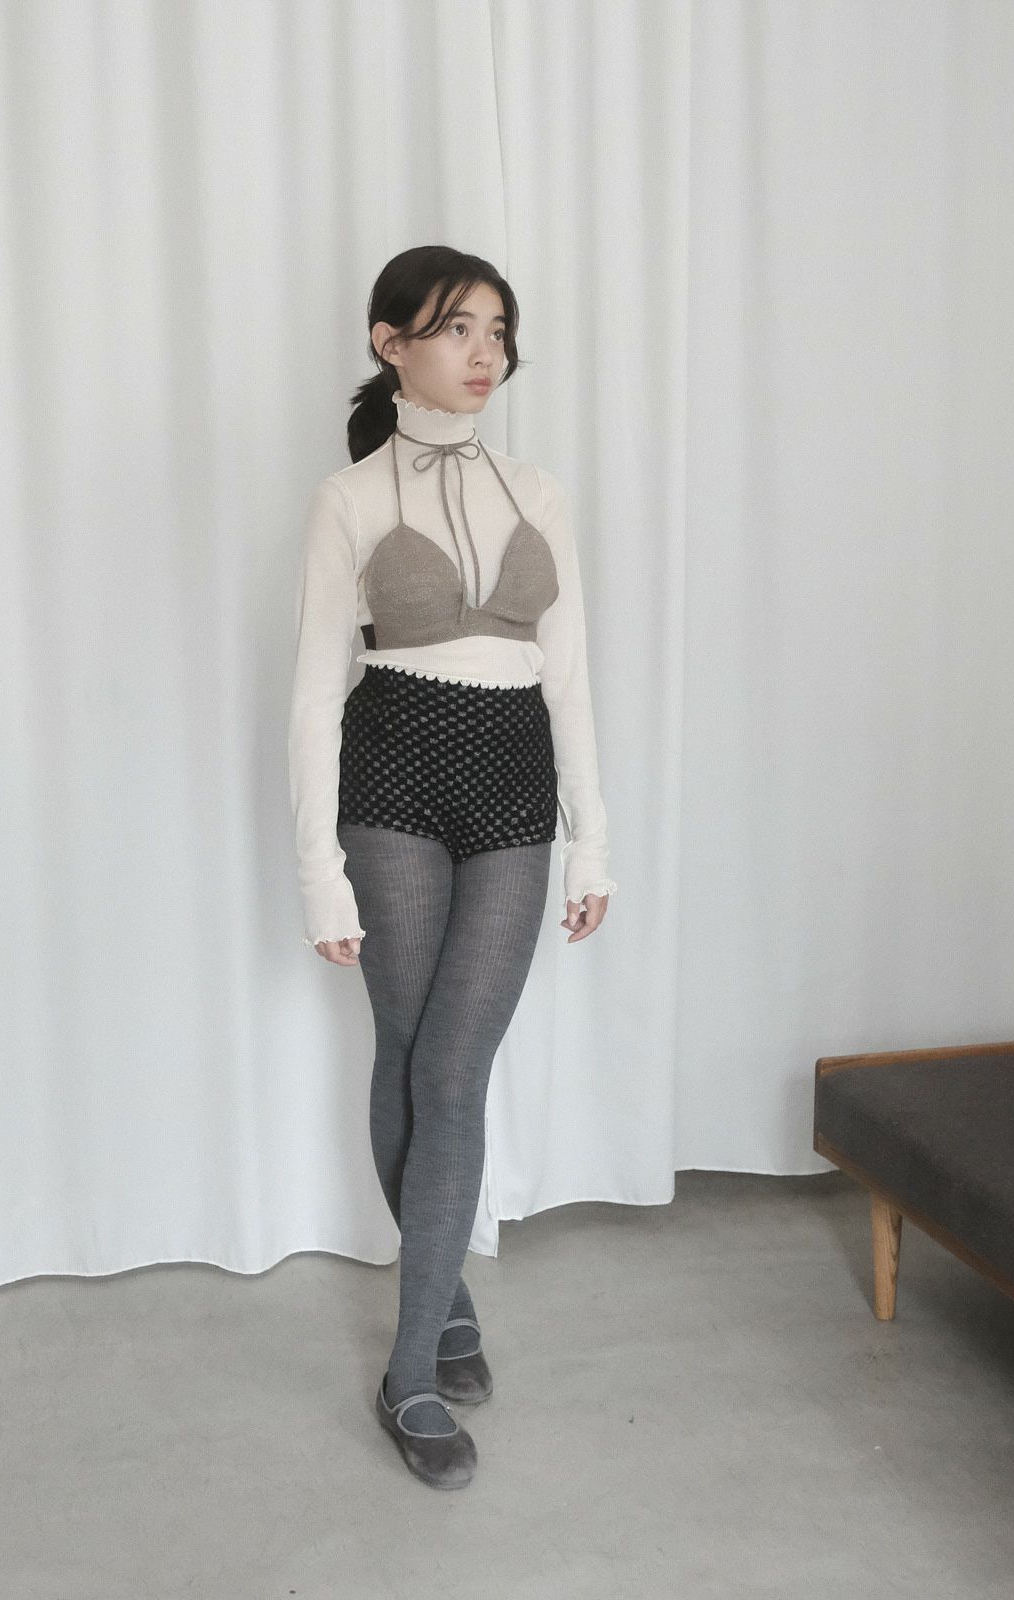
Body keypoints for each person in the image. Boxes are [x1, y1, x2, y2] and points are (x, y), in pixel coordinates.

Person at [287, 244, 616, 1490]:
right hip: (391, 777)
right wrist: (317, 873)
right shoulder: (347, 498)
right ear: (391, 342)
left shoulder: (538, 489)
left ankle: (422, 1330)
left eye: (499, 331)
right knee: (410, 1053)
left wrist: (595, 837)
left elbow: (570, 675)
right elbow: (312, 694)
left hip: (511, 781)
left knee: (452, 1068)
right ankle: (419, 1363)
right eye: (458, 328)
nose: (486, 352)